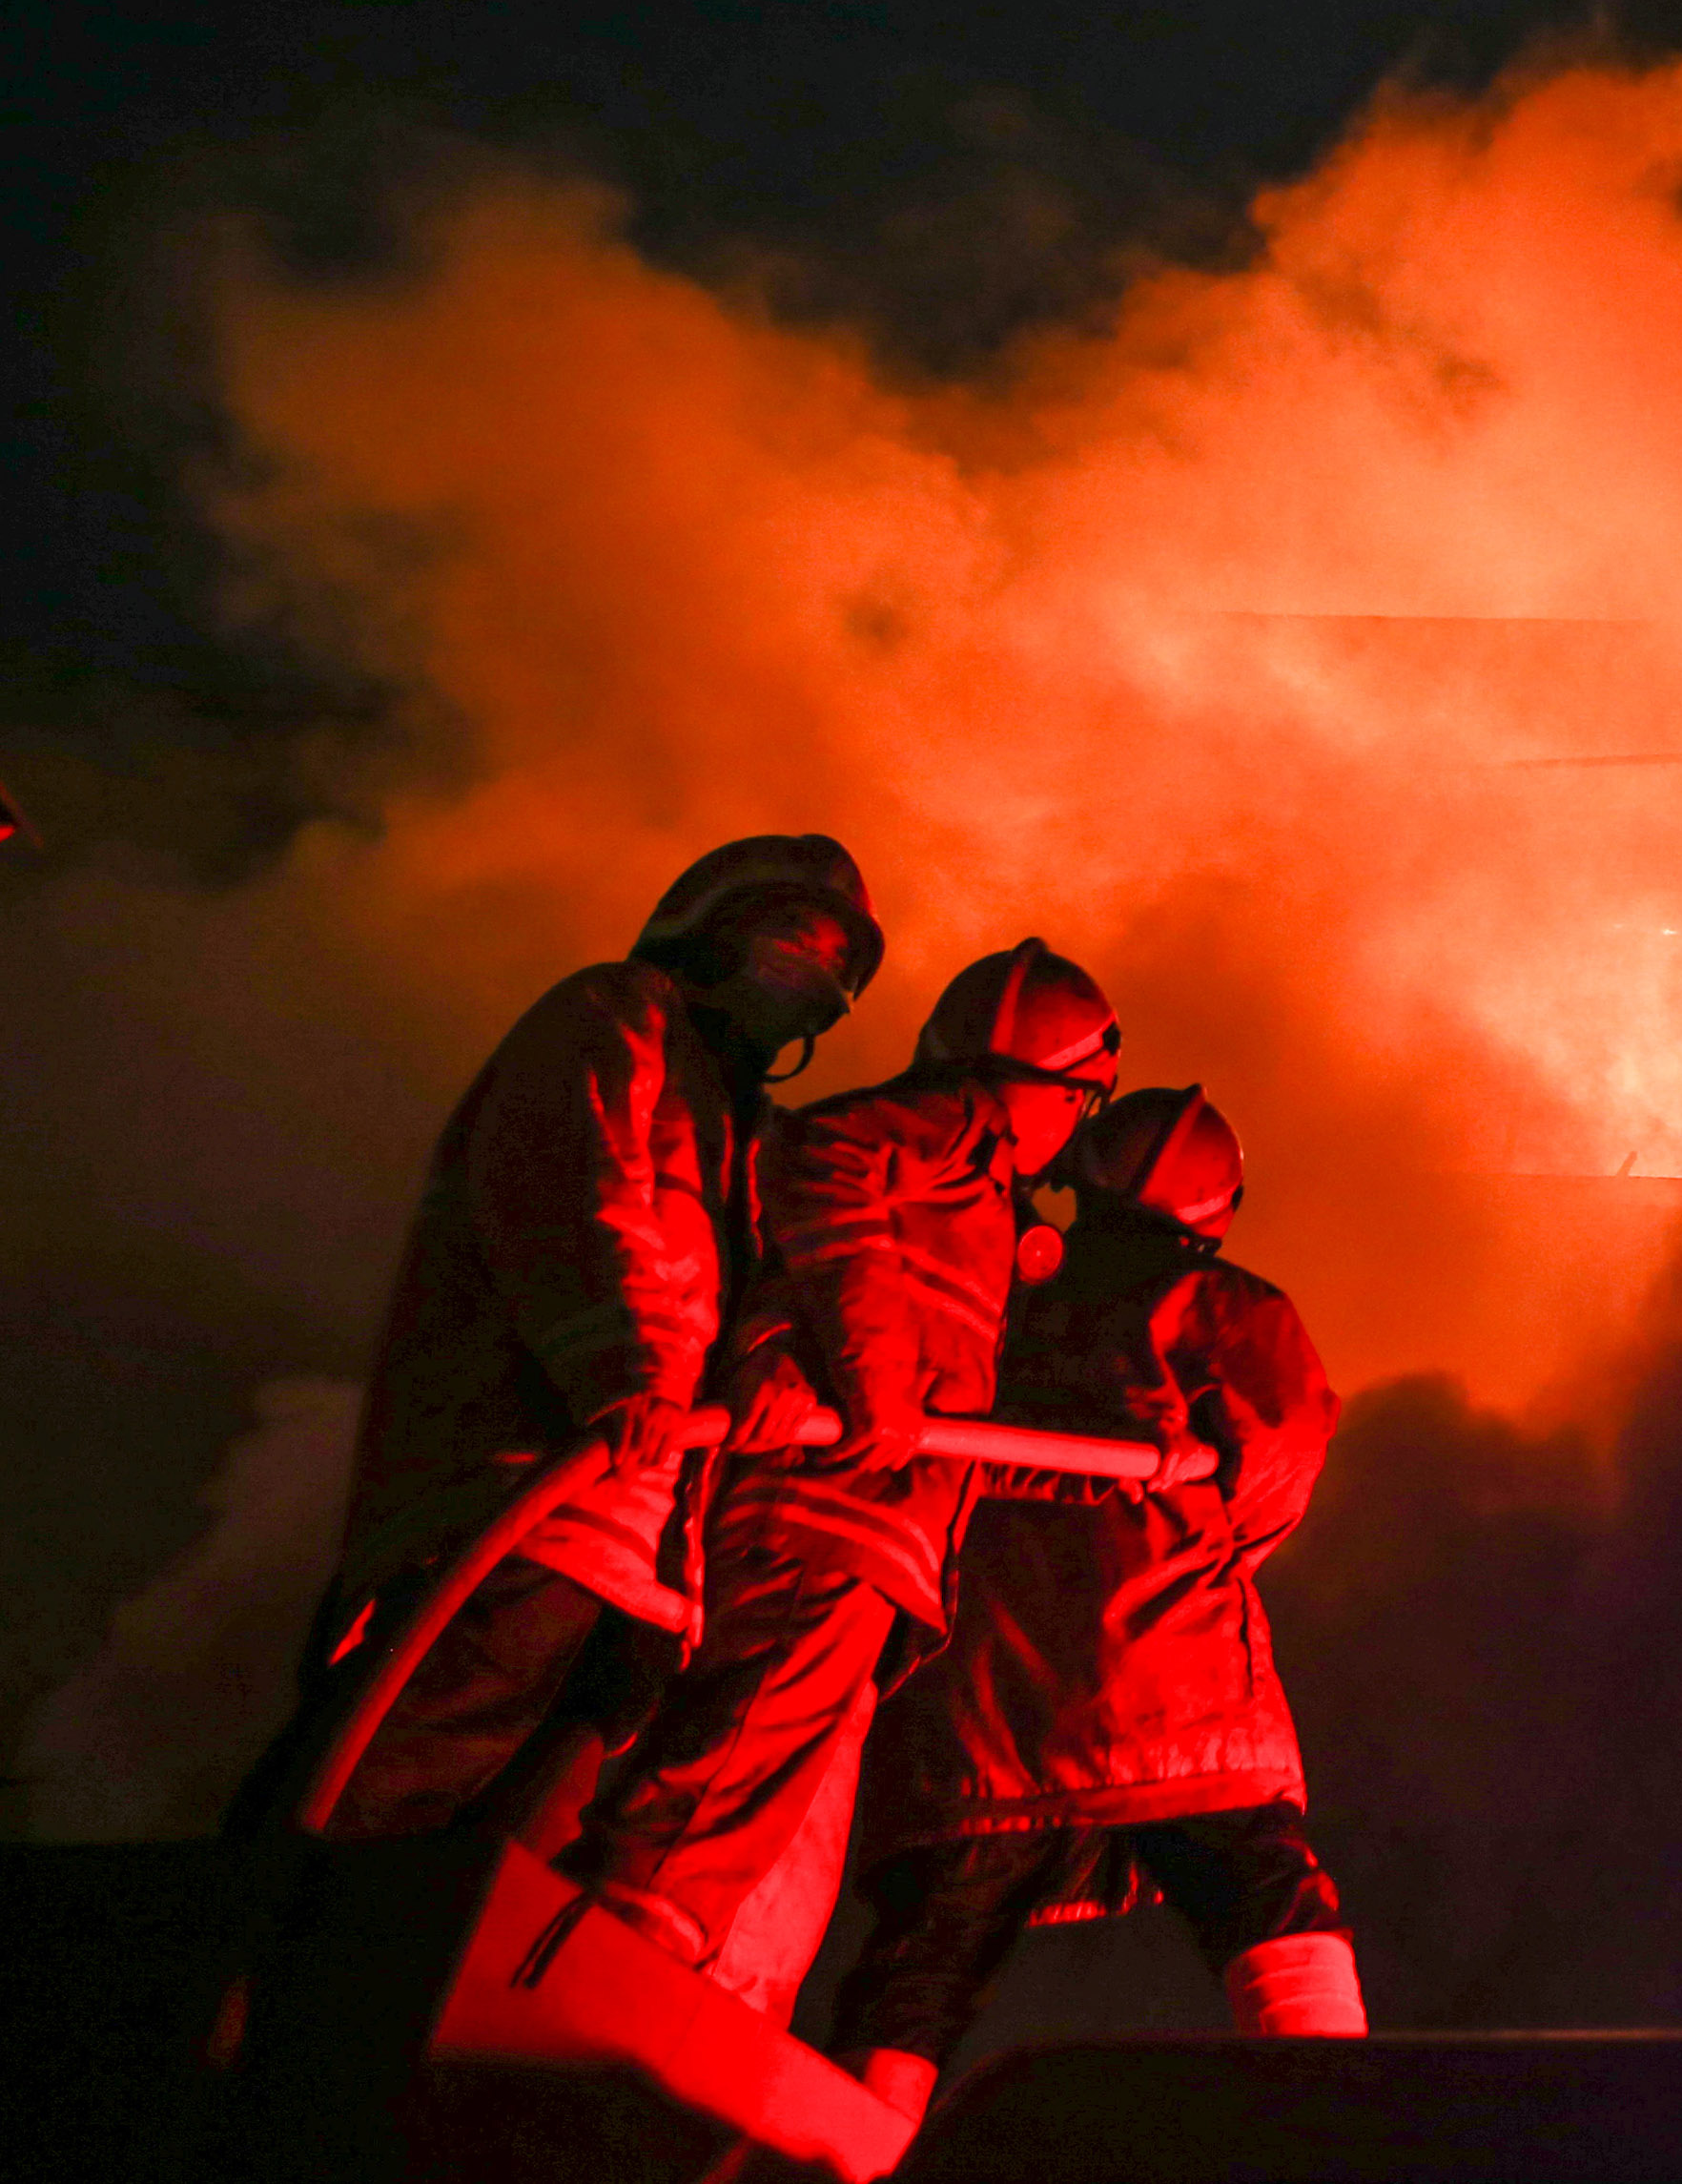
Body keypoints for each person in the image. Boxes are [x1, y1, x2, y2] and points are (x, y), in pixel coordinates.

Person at [244, 834, 882, 1844]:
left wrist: (774, 1369)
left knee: (496, 1885)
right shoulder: (613, 1017)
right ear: (707, 929)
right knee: (365, 1810)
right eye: (791, 940)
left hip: (647, 1570)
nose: (813, 977)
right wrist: (623, 1372)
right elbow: (568, 1194)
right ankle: (232, 1988)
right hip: (511, 1513)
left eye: (836, 965)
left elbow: (774, 1294)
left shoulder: (756, 1135)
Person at [559, 937, 1120, 1992]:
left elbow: (963, 1428)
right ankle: (612, 1944)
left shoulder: (984, 1199)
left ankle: (657, 1947)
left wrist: (1129, 1472)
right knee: (750, 1724)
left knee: (769, 1743)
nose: (1068, 1135)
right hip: (828, 1508)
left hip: (874, 1519)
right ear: (1043, 1084)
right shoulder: (948, 1133)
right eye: (1079, 1103)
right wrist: (876, 1381)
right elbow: (821, 1159)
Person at [829, 1085, 1355, 2124]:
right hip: (1175, 1693)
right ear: (1220, 1207)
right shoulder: (1229, 1309)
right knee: (1266, 1890)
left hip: (972, 1703)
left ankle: (831, 2153)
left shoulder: (993, 1293)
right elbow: (1281, 1461)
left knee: (923, 1964)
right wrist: (1204, 1538)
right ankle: (1338, 2119)